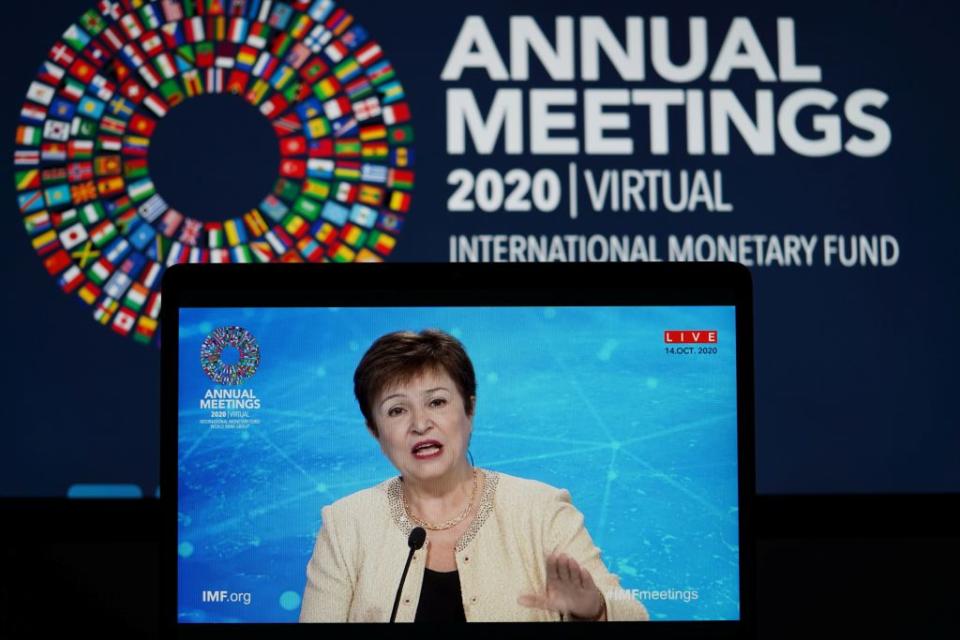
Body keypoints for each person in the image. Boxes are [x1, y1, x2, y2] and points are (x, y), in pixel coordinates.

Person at [299, 329, 649, 623]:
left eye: (436, 402)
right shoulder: (346, 524)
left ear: (470, 408)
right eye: (397, 410)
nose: (420, 424)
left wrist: (595, 610)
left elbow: (634, 614)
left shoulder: (540, 511)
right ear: (375, 431)